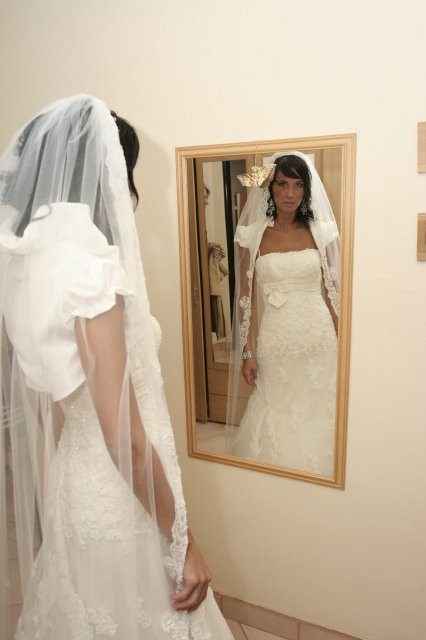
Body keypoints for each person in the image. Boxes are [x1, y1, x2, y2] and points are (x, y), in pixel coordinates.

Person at [0, 95, 234, 639]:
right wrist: (184, 542)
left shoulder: (23, 265)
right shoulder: (89, 273)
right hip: (121, 494)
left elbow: (50, 396)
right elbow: (123, 437)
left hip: (74, 481)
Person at [226, 152, 339, 476]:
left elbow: (334, 293)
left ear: (306, 189)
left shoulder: (321, 232)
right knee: (276, 410)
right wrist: (247, 352)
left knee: (322, 409)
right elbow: (245, 298)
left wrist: (345, 343)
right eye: (283, 184)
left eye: (298, 185)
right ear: (270, 187)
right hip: (275, 343)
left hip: (319, 340)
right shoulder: (251, 236)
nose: (290, 193)